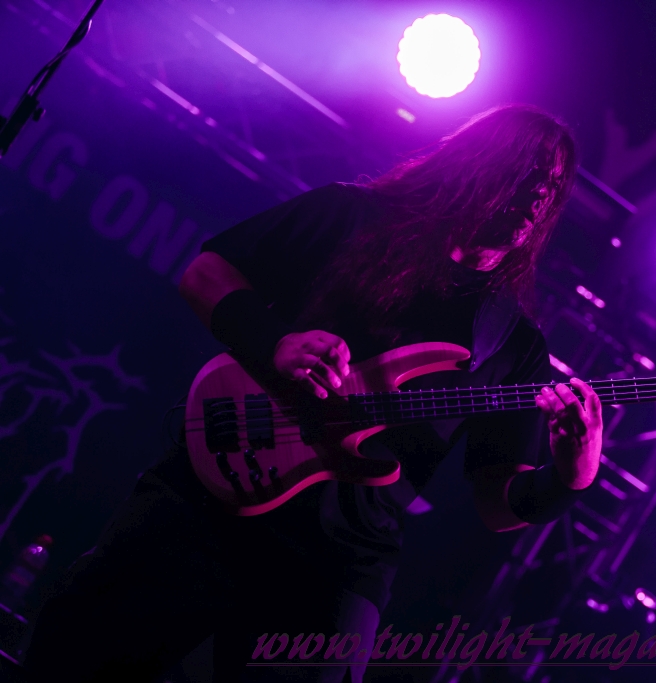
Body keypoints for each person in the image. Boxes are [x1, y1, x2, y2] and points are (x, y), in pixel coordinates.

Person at [22, 104, 603, 682]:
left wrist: (570, 476)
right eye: (527, 171)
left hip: (339, 561)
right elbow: (206, 273)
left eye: (553, 187)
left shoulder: (514, 343)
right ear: (476, 161)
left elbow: (497, 504)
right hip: (211, 493)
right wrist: (276, 343)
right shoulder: (351, 216)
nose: (538, 196)